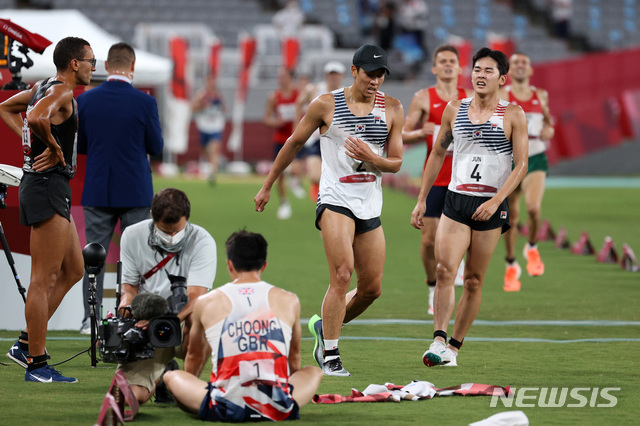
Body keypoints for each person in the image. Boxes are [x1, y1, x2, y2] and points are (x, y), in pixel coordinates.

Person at [255, 45, 404, 376]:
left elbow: (395, 162)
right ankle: (331, 352)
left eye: (381, 75)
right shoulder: (326, 104)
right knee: (341, 273)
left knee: (371, 289)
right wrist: (267, 185)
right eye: (370, 74)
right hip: (335, 197)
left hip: (369, 203)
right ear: (354, 72)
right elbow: (293, 143)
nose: (376, 81)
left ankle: (325, 326)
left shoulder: (392, 109)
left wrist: (373, 157)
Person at [410, 47, 528, 367]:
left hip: (490, 206)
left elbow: (521, 165)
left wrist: (496, 200)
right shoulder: (454, 109)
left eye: (488, 70)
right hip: (456, 200)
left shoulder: (513, 114)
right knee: (444, 269)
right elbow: (437, 154)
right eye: (476, 69)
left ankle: (454, 348)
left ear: (501, 79)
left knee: (474, 280)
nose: (480, 74)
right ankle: (437, 339)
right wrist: (422, 199)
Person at [0, 37, 95, 383]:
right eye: (90, 61)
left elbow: (8, 109)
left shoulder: (42, 86)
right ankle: (36, 365)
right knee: (42, 281)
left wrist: (34, 143)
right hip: (47, 186)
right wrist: (53, 147)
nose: (92, 67)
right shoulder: (62, 92)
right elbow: (38, 116)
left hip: (47, 186)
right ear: (74, 63)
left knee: (74, 268)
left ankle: (25, 342)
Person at [164, 230, 323, 422]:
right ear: (264, 265)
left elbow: (194, 357)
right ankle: (272, 400)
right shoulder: (289, 300)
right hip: (278, 407)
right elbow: (294, 360)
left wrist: (189, 390)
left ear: (229, 265)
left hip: (223, 407)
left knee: (172, 376)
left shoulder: (206, 302)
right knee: (314, 371)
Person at [77, 42, 164, 334]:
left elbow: (83, 146)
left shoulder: (87, 100)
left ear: (103, 66)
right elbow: (156, 147)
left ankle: (90, 320)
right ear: (133, 66)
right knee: (139, 256)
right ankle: (135, 317)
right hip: (136, 191)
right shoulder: (145, 102)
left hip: (98, 188)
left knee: (94, 257)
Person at [117, 188, 216, 404]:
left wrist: (164, 322)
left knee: (201, 318)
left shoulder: (202, 240)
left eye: (176, 231)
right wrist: (125, 311)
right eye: (165, 231)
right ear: (152, 216)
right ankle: (163, 377)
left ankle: (184, 389)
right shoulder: (132, 235)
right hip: (146, 324)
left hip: (181, 323)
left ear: (187, 218)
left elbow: (195, 297)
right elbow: (130, 287)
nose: (171, 237)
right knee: (128, 397)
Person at [402, 45, 472, 316]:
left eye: (451, 61)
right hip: (436, 178)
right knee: (429, 240)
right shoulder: (423, 98)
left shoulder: (470, 96)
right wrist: (422, 131)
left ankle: (456, 272)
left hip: (465, 178)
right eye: (441, 61)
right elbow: (402, 135)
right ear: (434, 68)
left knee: (463, 234)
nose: (446, 65)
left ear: (459, 67)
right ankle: (432, 285)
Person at [498, 52, 555, 292]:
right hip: (511, 158)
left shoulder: (540, 95)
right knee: (512, 218)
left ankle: (531, 247)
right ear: (510, 70)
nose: (521, 66)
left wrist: (549, 130)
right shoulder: (502, 94)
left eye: (525, 63)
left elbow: (549, 122)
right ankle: (511, 264)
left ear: (530, 70)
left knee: (533, 209)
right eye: (516, 63)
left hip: (536, 156)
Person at [295, 60, 346, 202]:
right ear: (326, 75)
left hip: (337, 140)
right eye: (331, 74)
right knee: (314, 175)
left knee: (338, 177)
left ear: (342, 75)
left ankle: (330, 198)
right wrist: (298, 127)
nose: (334, 77)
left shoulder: (347, 94)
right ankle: (317, 186)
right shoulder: (315, 90)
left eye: (337, 74)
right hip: (316, 138)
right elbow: (299, 103)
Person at [263, 68, 304, 220]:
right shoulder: (274, 97)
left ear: (291, 78)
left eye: (284, 76)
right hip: (280, 139)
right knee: (279, 174)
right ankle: (284, 203)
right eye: (279, 76)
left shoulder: (298, 95)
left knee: (296, 168)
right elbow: (266, 118)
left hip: (297, 137)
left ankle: (295, 181)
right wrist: (276, 122)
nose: (281, 79)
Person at [192, 74, 226, 184]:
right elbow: (193, 108)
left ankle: (213, 173)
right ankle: (206, 168)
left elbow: (224, 109)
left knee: (213, 149)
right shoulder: (201, 94)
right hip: (204, 126)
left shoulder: (218, 95)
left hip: (215, 127)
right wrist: (202, 104)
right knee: (205, 151)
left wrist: (219, 108)